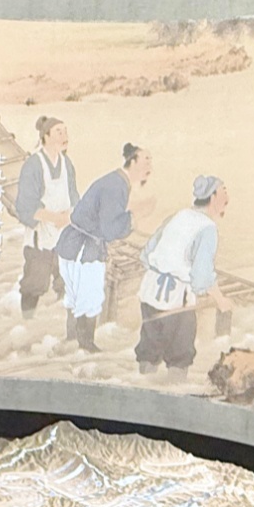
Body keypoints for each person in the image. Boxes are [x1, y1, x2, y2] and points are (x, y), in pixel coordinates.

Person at [54, 143, 153, 352]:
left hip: (73, 244)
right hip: (84, 246)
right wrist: (135, 216)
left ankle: (74, 341)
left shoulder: (115, 181)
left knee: (76, 296)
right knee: (88, 297)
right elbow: (110, 229)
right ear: (133, 162)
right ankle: (85, 345)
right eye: (146, 161)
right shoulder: (116, 186)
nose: (149, 167)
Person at [135, 176, 233, 380]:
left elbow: (147, 253)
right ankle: (174, 392)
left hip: (150, 293)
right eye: (224, 192)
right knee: (179, 355)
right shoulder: (207, 228)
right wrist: (221, 300)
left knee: (149, 349)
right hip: (177, 302)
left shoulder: (177, 216)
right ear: (212, 197)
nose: (227, 198)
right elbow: (201, 276)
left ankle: (141, 386)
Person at [12, 116, 77, 319]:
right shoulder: (33, 164)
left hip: (63, 232)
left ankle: (58, 324)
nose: (65, 136)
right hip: (40, 235)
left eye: (65, 131)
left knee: (65, 278)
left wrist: (68, 215)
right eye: (59, 132)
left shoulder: (66, 164)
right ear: (46, 136)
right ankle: (27, 323)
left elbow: (74, 196)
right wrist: (53, 218)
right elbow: (25, 206)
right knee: (35, 283)